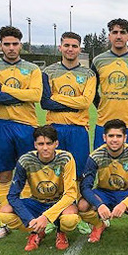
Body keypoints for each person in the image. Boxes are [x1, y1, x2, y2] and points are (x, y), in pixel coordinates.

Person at [0, 26, 42, 240]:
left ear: (21, 45)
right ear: (0, 45)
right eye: (6, 44)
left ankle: (29, 220)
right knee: (5, 174)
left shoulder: (33, 68)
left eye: (14, 44)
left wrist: (6, 90)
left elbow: (36, 95)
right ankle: (4, 222)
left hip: (27, 126)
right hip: (2, 125)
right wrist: (22, 95)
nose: (11, 48)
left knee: (27, 173)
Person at [41, 32, 96, 235]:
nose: (70, 49)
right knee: (55, 174)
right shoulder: (48, 71)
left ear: (79, 49)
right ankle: (53, 216)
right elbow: (45, 102)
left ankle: (80, 217)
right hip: (54, 129)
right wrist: (75, 103)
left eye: (74, 45)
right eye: (67, 45)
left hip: (79, 130)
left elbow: (85, 103)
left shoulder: (89, 74)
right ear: (60, 47)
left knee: (80, 175)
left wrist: (58, 97)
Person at [0, 125, 80, 251]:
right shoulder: (25, 160)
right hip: (36, 202)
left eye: (49, 143)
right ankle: (36, 231)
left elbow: (70, 194)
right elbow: (12, 195)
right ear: (35, 144)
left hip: (59, 203)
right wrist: (29, 219)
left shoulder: (66, 158)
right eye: (41, 144)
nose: (45, 148)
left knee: (70, 219)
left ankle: (61, 232)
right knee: (4, 213)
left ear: (56, 144)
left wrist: (45, 217)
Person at [77, 119, 128, 245]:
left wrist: (125, 204)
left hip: (127, 193)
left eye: (118, 136)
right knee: (83, 205)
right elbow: (85, 187)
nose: (115, 140)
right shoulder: (96, 156)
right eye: (111, 136)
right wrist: (99, 204)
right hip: (104, 193)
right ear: (104, 137)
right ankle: (98, 225)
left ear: (125, 138)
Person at [91, 19, 128, 159]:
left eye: (122, 32)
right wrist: (101, 107)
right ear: (109, 36)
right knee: (103, 169)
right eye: (114, 32)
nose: (118, 36)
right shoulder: (98, 61)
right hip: (104, 123)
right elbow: (91, 91)